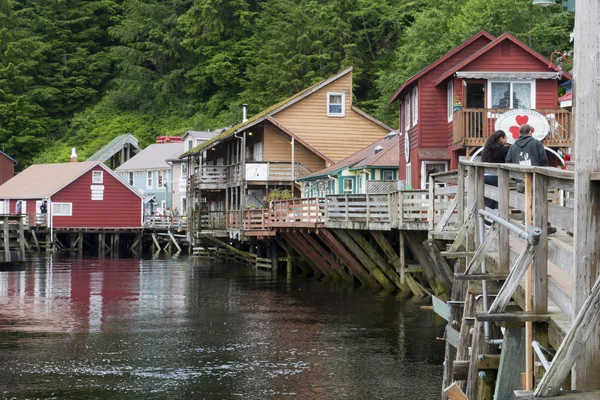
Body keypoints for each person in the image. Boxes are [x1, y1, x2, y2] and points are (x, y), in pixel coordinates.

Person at [506, 124, 555, 234]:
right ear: (530, 132)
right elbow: (543, 161)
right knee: (539, 201)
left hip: (520, 179)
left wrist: (515, 178)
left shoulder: (513, 146)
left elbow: (508, 162)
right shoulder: (537, 144)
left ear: (520, 133)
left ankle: (526, 224)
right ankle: (543, 226)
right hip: (535, 179)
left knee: (524, 202)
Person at [481, 130, 508, 209]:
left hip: (485, 176)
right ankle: (495, 220)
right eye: (505, 138)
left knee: (488, 199)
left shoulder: (486, 148)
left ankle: (486, 220)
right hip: (496, 176)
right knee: (497, 200)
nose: (506, 140)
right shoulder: (503, 149)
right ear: (501, 138)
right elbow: (508, 162)